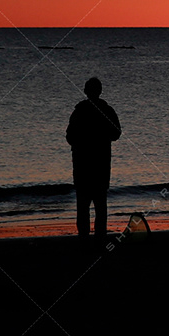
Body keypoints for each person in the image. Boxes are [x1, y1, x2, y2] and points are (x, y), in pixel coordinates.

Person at [66, 77, 122, 241]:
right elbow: (116, 133)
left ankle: (84, 239)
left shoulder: (79, 111)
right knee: (100, 207)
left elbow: (70, 137)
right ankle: (99, 239)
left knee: (83, 207)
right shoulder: (106, 110)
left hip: (83, 167)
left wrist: (82, 142)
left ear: (86, 91)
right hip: (100, 167)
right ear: (99, 91)